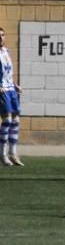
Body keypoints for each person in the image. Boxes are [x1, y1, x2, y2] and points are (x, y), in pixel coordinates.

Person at [0, 27, 24, 166]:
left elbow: (8, 73)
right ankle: (3, 155)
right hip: (2, 90)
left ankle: (13, 153)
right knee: (7, 120)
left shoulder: (6, 51)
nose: (1, 38)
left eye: (2, 35)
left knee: (16, 120)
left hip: (10, 89)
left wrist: (15, 85)